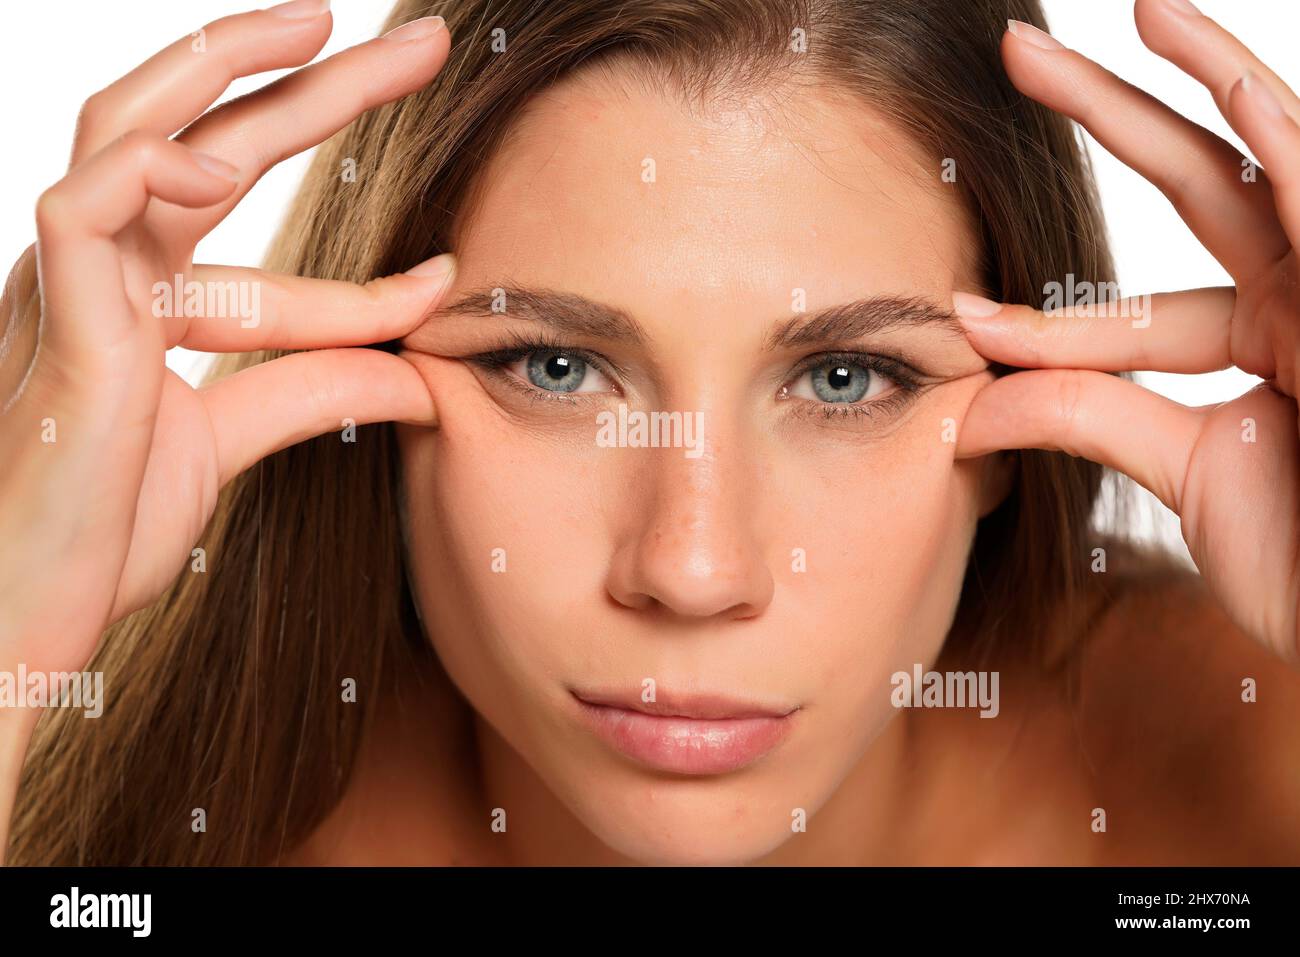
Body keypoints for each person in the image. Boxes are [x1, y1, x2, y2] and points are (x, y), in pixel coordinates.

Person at [2, 0, 1298, 866]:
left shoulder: (1246, 783)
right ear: (365, 375)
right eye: (555, 366)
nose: (692, 570)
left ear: (1017, 436)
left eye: (846, 378)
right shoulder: (183, 837)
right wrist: (16, 622)